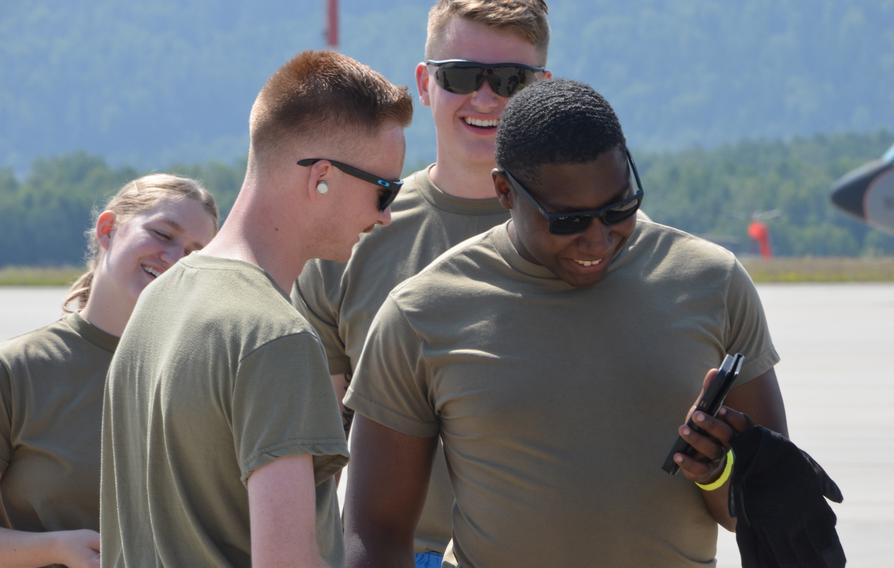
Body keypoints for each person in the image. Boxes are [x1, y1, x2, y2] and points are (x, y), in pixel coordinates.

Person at [342, 79, 789, 567]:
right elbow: (375, 529)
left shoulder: (712, 284)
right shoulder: (422, 313)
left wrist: (717, 473)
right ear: (504, 192)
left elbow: (774, 511)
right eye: (568, 221)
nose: (597, 241)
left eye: (619, 209)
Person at [99, 50, 412, 567]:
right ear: (322, 178)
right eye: (385, 191)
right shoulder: (275, 338)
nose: (387, 217)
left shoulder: (158, 299)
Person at [291, 2, 551, 565]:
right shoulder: (351, 237)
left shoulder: (586, 238)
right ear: (424, 84)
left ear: (543, 92)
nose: (486, 98)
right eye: (460, 75)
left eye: (511, 80)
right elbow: (312, 452)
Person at [0, 173, 218, 568]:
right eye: (163, 234)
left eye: (194, 253)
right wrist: (56, 549)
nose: (174, 260)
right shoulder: (18, 370)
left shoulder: (204, 373)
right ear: (107, 229)